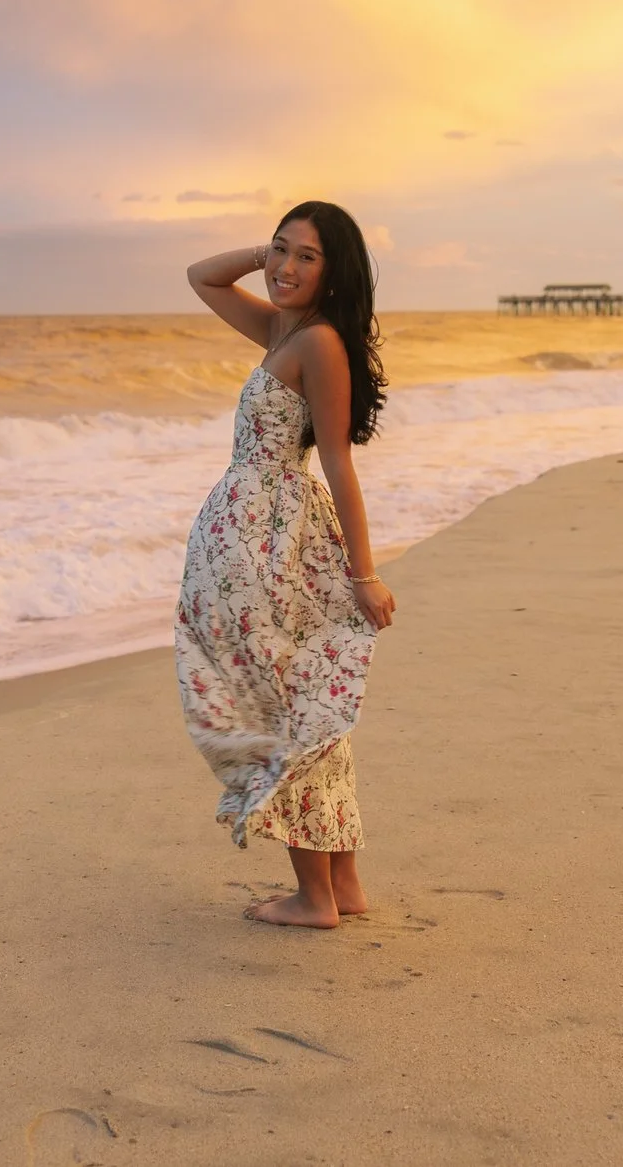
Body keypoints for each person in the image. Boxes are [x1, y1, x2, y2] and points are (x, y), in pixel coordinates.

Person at [174, 199, 395, 928]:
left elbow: (336, 460)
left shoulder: (319, 343)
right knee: (303, 709)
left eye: (307, 257)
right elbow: (202, 277)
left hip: (275, 541)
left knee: (286, 712)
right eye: (281, 251)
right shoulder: (282, 328)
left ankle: (314, 897)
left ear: (334, 276)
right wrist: (265, 253)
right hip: (256, 534)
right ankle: (344, 885)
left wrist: (364, 574)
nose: (286, 268)